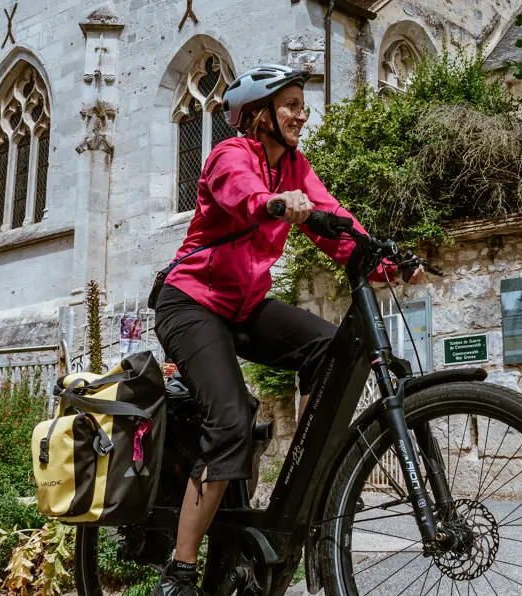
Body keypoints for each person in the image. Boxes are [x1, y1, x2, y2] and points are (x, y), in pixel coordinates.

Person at [151, 63, 422, 596]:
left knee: (330, 348)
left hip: (244, 305)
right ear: (260, 115)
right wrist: (276, 204)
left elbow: (335, 220)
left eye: (302, 104)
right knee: (231, 420)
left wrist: (385, 259)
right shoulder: (230, 155)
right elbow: (242, 195)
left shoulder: (295, 166)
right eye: (291, 105)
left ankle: (304, 478)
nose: (302, 114)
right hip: (190, 303)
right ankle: (179, 571)